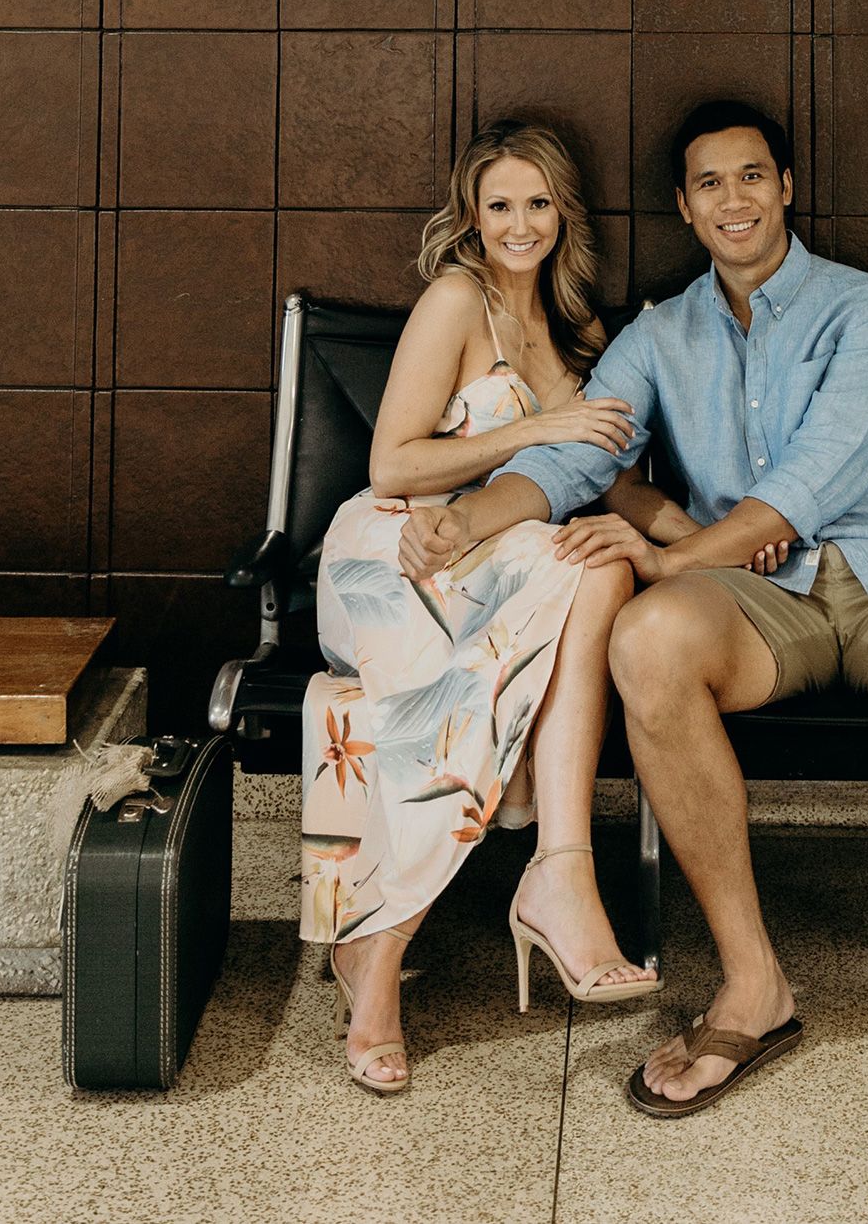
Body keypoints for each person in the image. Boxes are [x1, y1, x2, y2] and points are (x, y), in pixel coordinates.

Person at [397, 98, 868, 1116]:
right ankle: (751, 982)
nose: (735, 198)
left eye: (752, 175)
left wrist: (667, 552)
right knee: (648, 638)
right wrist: (468, 519)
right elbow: (577, 452)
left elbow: (811, 481)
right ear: (683, 205)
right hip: (759, 603)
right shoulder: (658, 331)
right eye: (710, 182)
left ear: (786, 188)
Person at [301, 119, 658, 1096]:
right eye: (500, 203)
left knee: (591, 557)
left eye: (537, 203)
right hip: (391, 553)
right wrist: (540, 424)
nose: (518, 223)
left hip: (489, 563)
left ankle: (388, 941)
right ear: (470, 214)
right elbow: (393, 463)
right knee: (490, 659)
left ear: (562, 214)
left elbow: (601, 474)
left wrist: (695, 537)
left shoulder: (560, 326)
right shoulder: (455, 299)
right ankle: (391, 949)